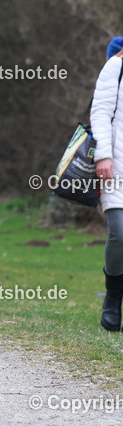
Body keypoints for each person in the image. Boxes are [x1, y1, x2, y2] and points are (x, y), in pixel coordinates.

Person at [92, 36, 123, 332]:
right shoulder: (116, 65)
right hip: (116, 167)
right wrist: (102, 155)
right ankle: (113, 297)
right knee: (120, 233)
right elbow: (100, 111)